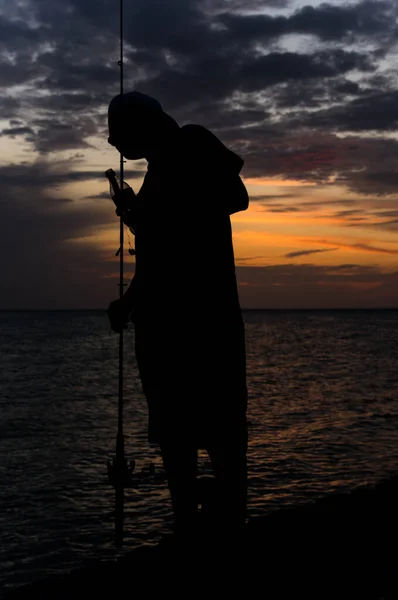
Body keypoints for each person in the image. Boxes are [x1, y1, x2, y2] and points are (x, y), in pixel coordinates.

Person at [106, 91, 249, 544]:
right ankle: (188, 525)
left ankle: (229, 527)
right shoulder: (154, 177)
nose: (114, 145)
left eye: (118, 133)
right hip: (161, 331)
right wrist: (128, 304)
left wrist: (153, 215)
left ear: (142, 124)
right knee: (176, 436)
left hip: (204, 326)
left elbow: (235, 196)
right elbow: (157, 260)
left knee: (221, 429)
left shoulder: (191, 143)